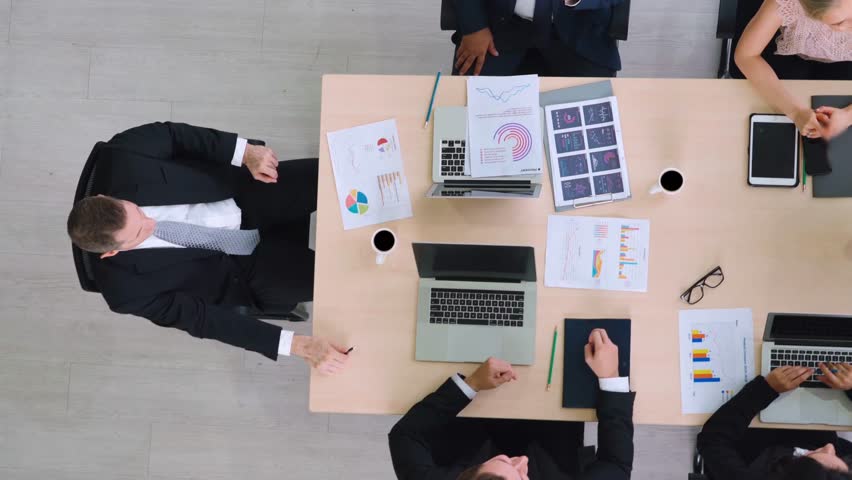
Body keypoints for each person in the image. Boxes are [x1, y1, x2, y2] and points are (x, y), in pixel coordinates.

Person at [66, 122, 348, 374]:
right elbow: (204, 321)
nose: (149, 221)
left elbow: (176, 136)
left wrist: (244, 152)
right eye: (139, 232)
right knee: (348, 282)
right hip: (239, 271)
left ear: (105, 196)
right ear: (111, 253)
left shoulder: (122, 155)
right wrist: (300, 346)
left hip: (242, 192)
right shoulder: (126, 292)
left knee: (344, 175)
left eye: (136, 210)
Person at [388, 329, 635, 480]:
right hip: (553, 437)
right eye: (521, 476)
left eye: (506, 462)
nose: (522, 460)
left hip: (476, 421)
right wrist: (611, 377)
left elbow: (405, 435)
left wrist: (471, 384)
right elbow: (616, 466)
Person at [697, 363, 852, 479]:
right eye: (838, 461)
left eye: (814, 454)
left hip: (751, 428)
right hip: (816, 416)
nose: (830, 447)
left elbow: (713, 438)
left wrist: (766, 388)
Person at [735, 0, 852, 139]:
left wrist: (847, 116)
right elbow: (746, 55)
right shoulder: (786, 3)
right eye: (838, 22)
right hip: (794, 53)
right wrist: (795, 112)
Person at [451, 0, 626, 78]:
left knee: (590, 117)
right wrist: (474, 26)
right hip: (498, 26)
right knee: (469, 105)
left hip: (578, 29)